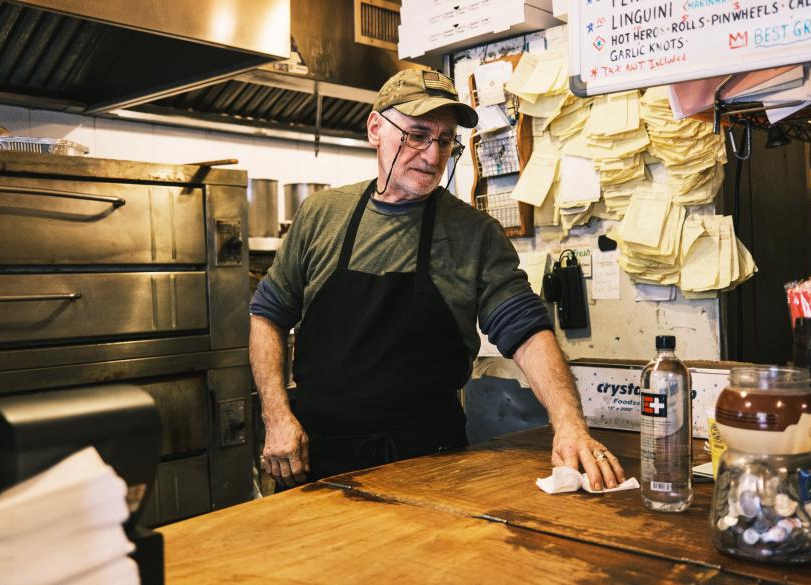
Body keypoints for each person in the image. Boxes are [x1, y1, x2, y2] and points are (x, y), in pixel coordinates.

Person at [250, 69, 625, 490]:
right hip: (318, 456)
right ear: (376, 128)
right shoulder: (322, 215)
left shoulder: (473, 233)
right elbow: (268, 314)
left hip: (433, 461)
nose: (432, 155)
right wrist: (276, 415)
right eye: (416, 134)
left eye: (445, 140)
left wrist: (570, 424)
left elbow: (526, 331)